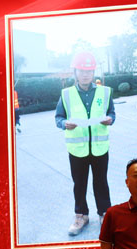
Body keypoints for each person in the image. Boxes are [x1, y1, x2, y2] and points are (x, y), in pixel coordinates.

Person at [55, 51, 116, 236]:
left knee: (101, 182)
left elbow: (112, 113)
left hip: (99, 147)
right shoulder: (66, 94)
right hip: (77, 149)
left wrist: (110, 120)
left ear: (93, 72)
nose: (85, 74)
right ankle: (81, 216)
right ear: (75, 72)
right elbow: (58, 117)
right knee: (79, 184)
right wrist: (64, 124)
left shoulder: (104, 92)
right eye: (82, 70)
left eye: (89, 71)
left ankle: (105, 214)